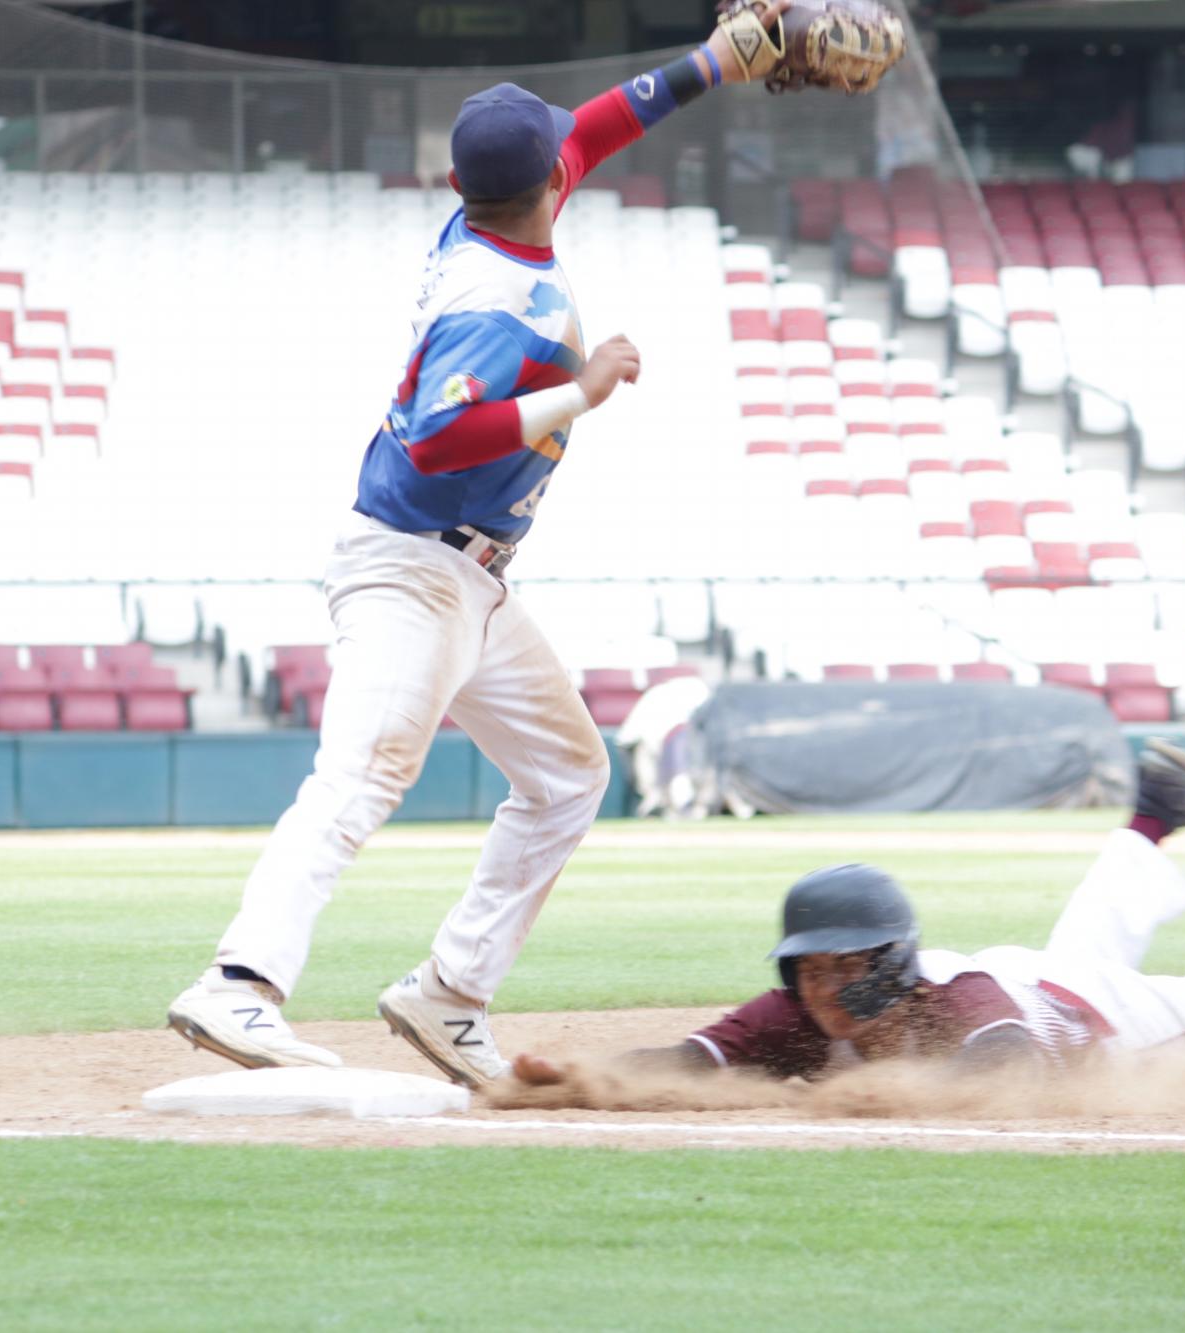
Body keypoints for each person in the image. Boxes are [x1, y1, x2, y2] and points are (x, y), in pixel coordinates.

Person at [167, 27, 762, 1087]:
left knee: (570, 775)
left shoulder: (488, 216)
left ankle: (447, 994)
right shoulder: (496, 301)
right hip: (407, 566)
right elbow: (437, 437)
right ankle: (238, 984)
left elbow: (601, 121)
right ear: (543, 180)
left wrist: (718, 58)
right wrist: (579, 390)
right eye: (554, 150)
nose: (567, 149)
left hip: (470, 580)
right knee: (361, 774)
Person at [510, 742, 1185, 1086]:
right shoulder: (802, 1012)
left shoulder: (966, 1006)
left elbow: (1006, 1067)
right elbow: (690, 1058)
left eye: (845, 965)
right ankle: (1156, 812)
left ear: (892, 963)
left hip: (1101, 1019)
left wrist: (868, 1093)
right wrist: (587, 1075)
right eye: (811, 967)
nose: (823, 986)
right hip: (1040, 978)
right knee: (1075, 949)